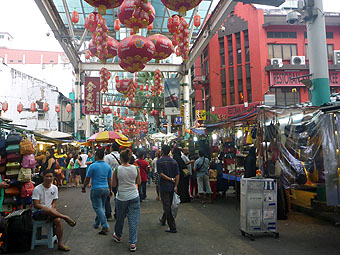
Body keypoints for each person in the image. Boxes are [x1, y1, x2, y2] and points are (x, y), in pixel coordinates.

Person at [32, 170, 76, 252]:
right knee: (47, 209)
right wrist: (48, 209)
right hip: (38, 212)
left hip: (51, 212)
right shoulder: (37, 189)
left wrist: (51, 209)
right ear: (43, 177)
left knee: (58, 220)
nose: (49, 178)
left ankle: (60, 244)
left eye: (50, 176)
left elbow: (54, 202)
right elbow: (36, 205)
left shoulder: (54, 188)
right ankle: (65, 217)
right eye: (47, 176)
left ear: (53, 177)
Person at [112, 149, 141, 252]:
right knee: (133, 219)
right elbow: (139, 181)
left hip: (121, 197)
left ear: (121, 159)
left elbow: (114, 185)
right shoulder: (136, 168)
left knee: (120, 217)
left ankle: (118, 235)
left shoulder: (117, 170)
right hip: (134, 195)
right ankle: (132, 243)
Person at [82, 149, 113, 235]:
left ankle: (105, 225)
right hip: (105, 188)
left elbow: (87, 178)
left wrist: (83, 187)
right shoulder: (108, 166)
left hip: (96, 189)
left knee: (97, 207)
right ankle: (96, 223)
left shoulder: (93, 166)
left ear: (96, 156)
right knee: (101, 206)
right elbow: (109, 179)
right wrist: (110, 190)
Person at [157, 145, 179, 233]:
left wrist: (169, 179)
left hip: (164, 186)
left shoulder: (159, 161)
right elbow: (177, 174)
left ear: (162, 151)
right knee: (168, 203)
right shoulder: (174, 161)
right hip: (172, 186)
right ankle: (163, 219)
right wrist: (176, 185)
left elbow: (161, 174)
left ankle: (172, 226)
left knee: (167, 205)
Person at [104, 143, 121, 221]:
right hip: (119, 178)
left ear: (111, 148)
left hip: (109, 179)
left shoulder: (107, 157)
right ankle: (117, 213)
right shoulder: (121, 156)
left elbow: (106, 168)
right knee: (118, 197)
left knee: (107, 197)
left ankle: (108, 213)